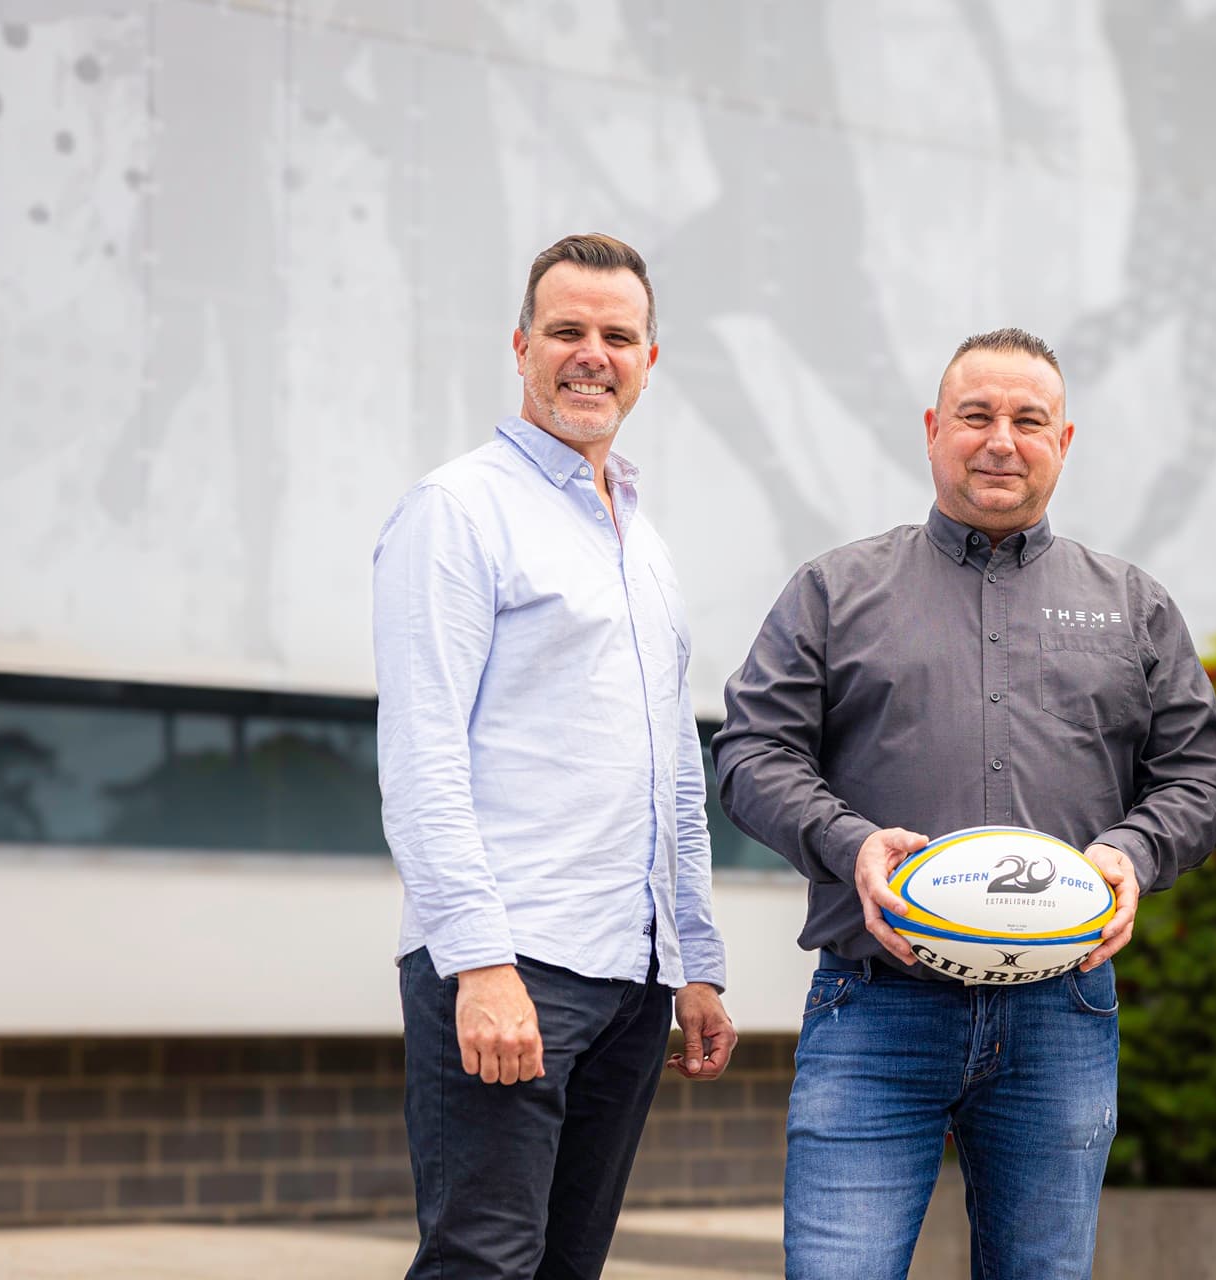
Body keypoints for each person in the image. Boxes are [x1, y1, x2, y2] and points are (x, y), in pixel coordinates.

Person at [714, 328, 1216, 1279]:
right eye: (976, 416)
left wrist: (1131, 854)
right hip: (874, 1007)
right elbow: (752, 753)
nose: (1002, 439)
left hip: (1061, 1013)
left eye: (1029, 420)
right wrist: (851, 842)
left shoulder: (1132, 605)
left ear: (1064, 441)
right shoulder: (834, 590)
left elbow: (1200, 780)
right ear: (931, 429)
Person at [373, 233, 736, 1280]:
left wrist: (696, 962)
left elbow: (672, 768)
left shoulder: (642, 540)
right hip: (508, 962)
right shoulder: (459, 508)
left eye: (617, 335)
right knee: (483, 1261)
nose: (593, 354)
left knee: (568, 1264)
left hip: (630, 981)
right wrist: (481, 963)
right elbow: (422, 754)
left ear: (649, 360)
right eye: (568, 331)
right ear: (522, 345)